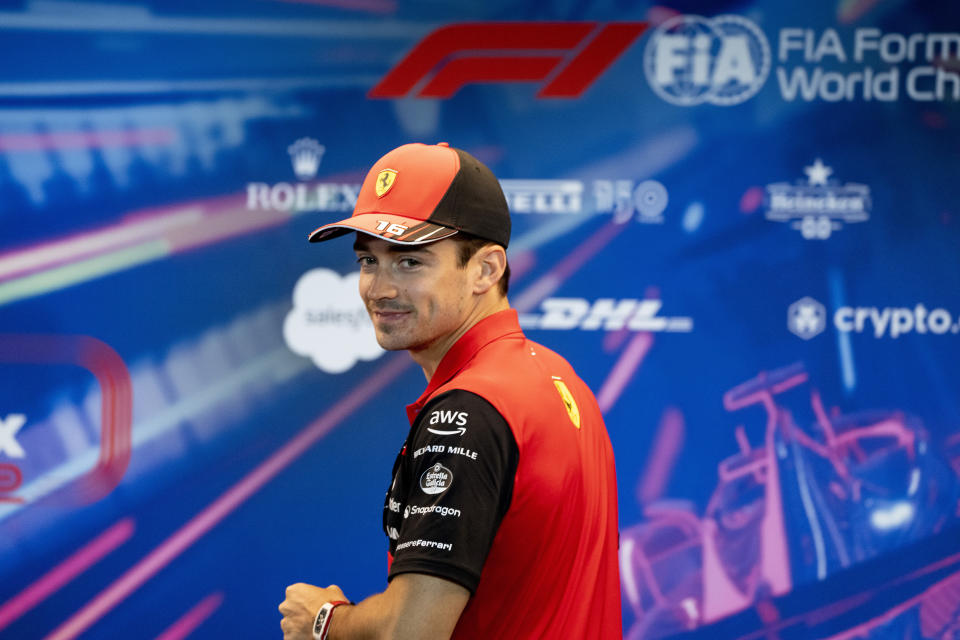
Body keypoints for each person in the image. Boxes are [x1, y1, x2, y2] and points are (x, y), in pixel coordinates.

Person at [279, 142, 621, 639]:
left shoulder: (467, 411)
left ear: (486, 269)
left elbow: (411, 633)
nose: (379, 288)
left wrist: (325, 622)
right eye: (368, 262)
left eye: (409, 263)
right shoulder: (557, 376)